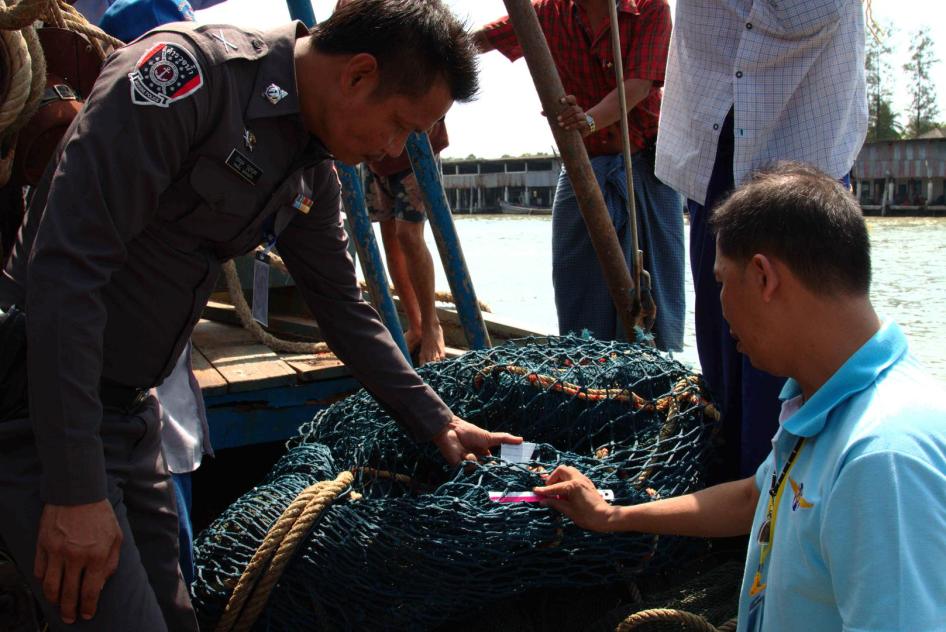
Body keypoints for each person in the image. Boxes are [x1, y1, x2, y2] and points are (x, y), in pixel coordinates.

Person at [0, 1, 521, 630]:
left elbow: (341, 306)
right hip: (45, 408)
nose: (392, 150)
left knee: (176, 616)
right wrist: (75, 488)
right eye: (398, 124)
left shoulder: (309, 162)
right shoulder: (183, 77)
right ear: (358, 75)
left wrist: (439, 423)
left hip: (130, 416)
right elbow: (66, 275)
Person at [534, 164, 946, 632]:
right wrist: (613, 515)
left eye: (722, 281)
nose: (721, 307)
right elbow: (757, 496)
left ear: (763, 276)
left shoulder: (882, 460)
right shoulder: (825, 403)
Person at [654, 0, 868, 481]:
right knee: (724, 341)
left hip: (804, 144)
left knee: (794, 351)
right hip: (716, 141)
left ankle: (776, 486)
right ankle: (742, 483)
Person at [474, 0, 685, 351]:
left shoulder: (648, 8)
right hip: (583, 164)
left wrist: (586, 121)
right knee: (577, 286)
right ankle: (585, 370)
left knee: (655, 296)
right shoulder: (546, 12)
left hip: (644, 164)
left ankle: (652, 373)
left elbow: (638, 84)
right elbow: (482, 39)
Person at [364, 120, 449, 366]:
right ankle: (416, 325)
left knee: (408, 236)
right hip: (374, 154)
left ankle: (432, 325)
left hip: (415, 149)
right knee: (390, 240)